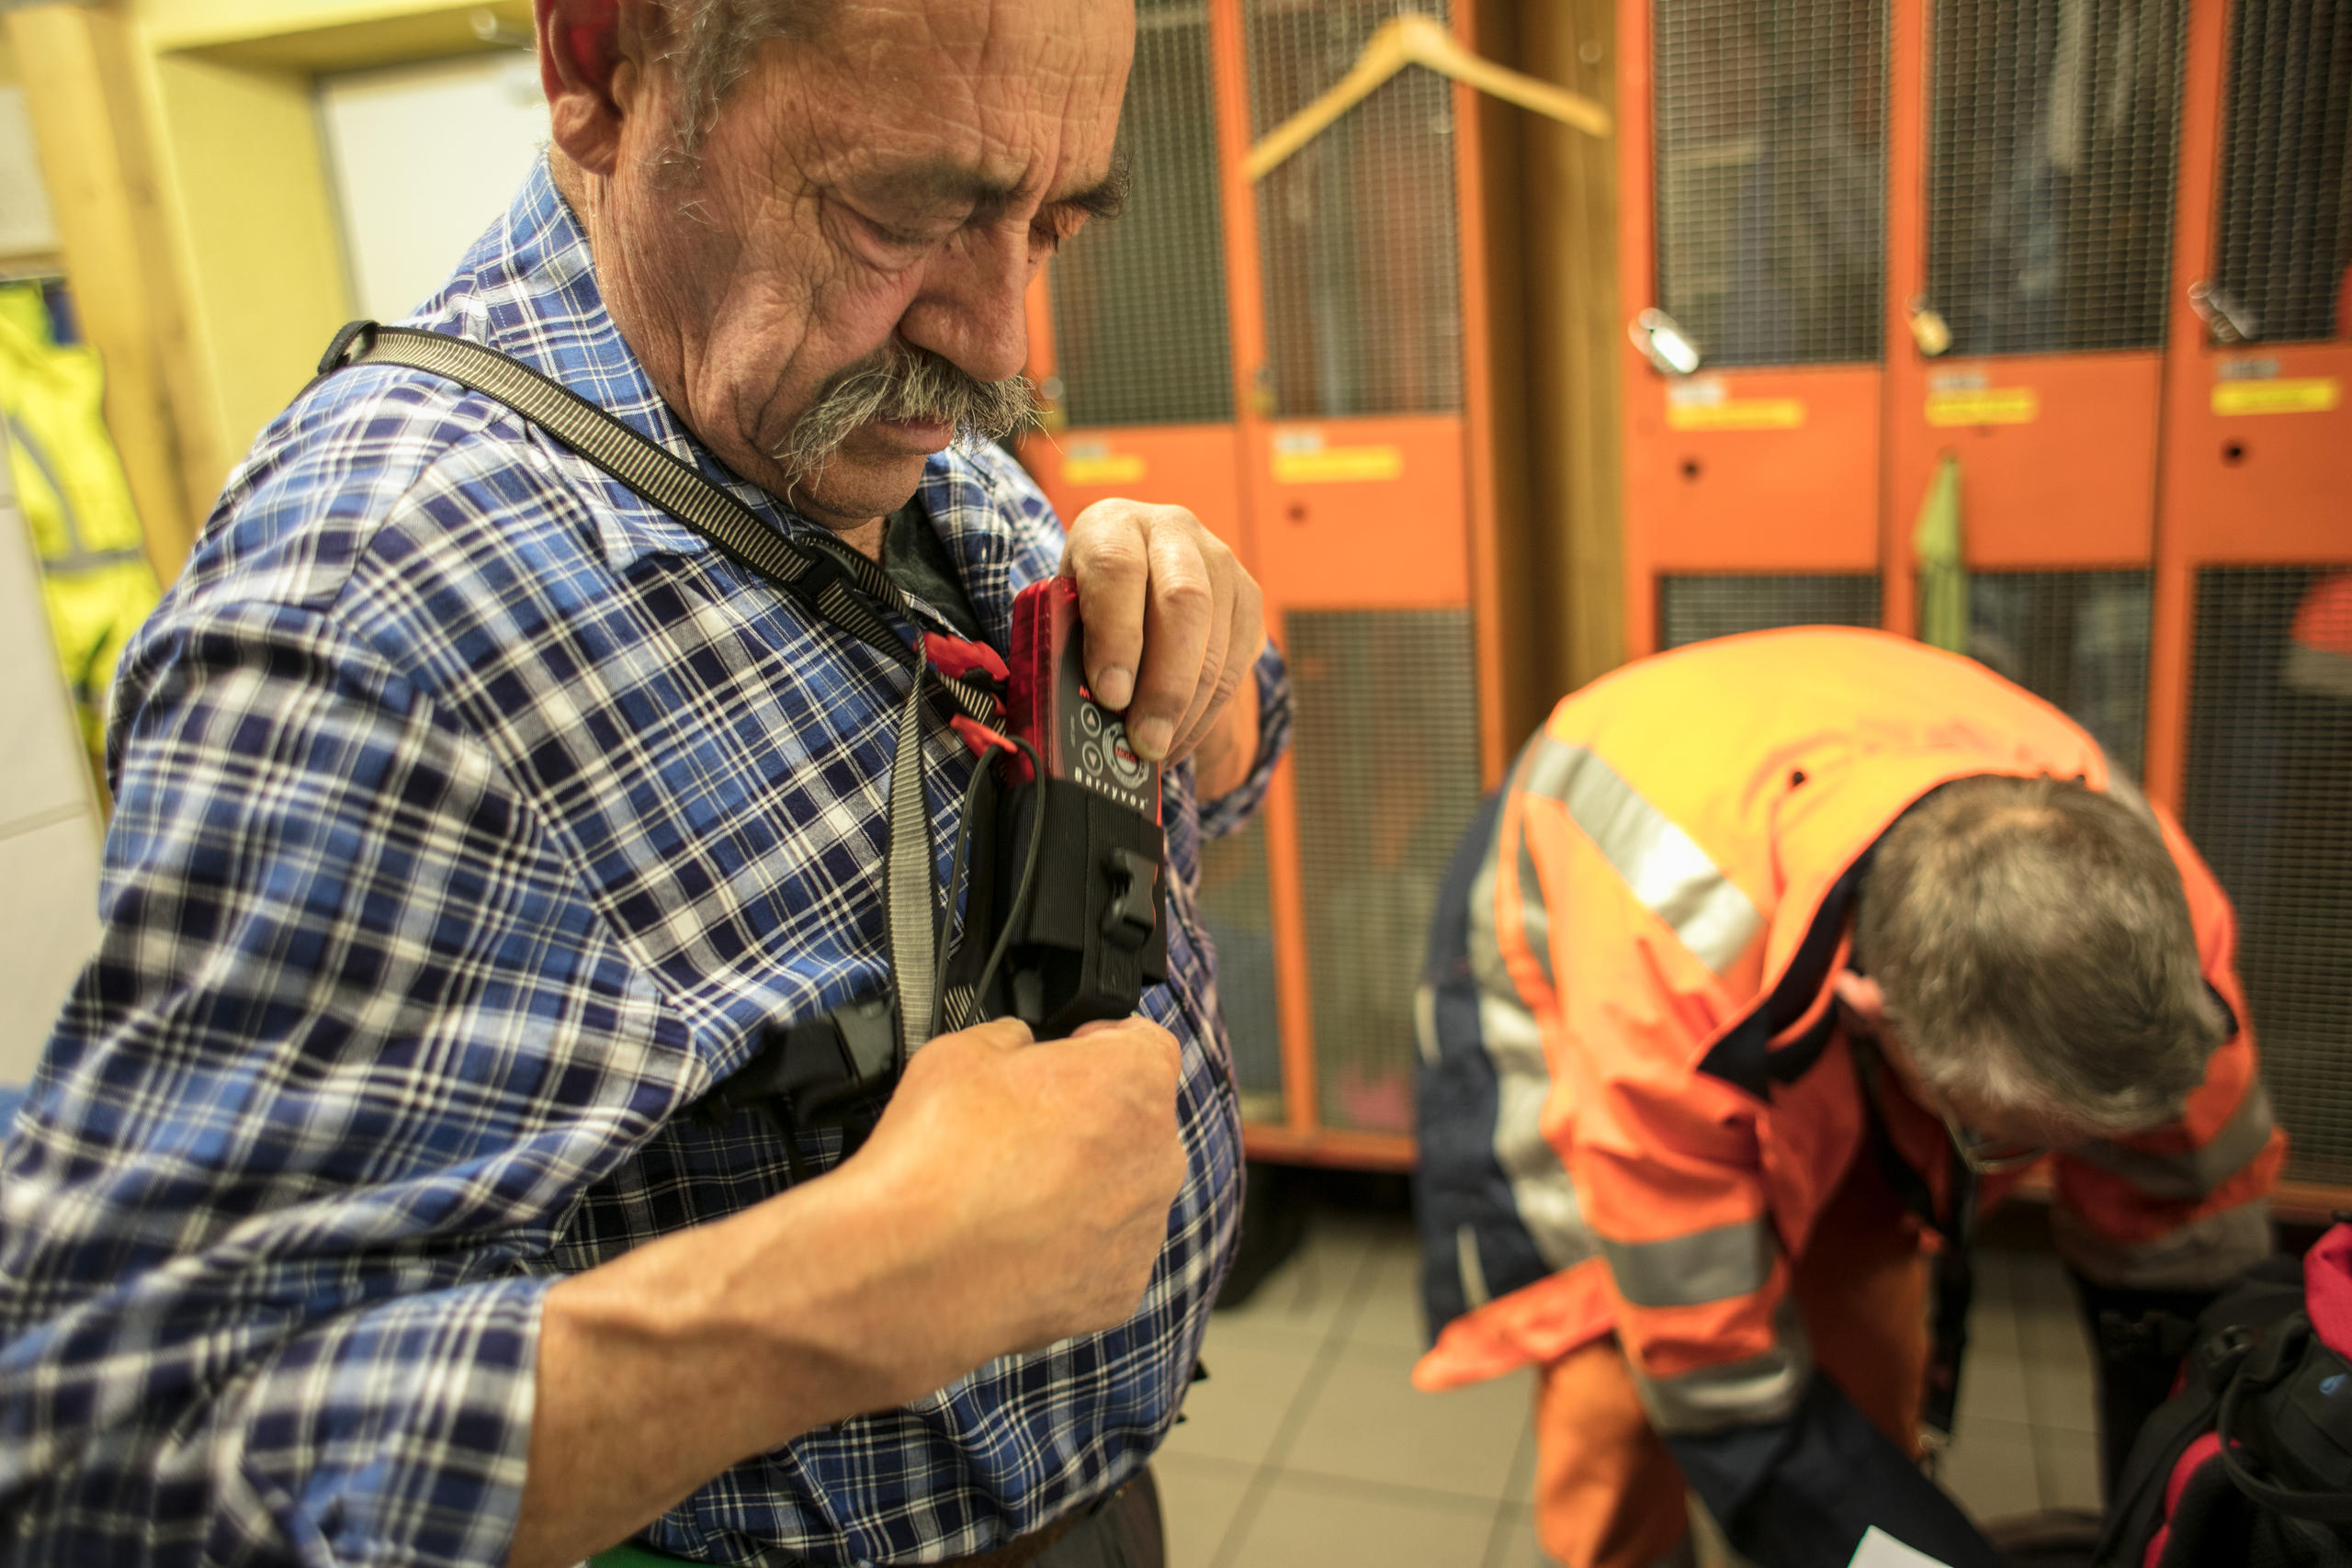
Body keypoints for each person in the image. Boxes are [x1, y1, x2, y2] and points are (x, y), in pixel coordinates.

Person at [0, 3, 1290, 1565]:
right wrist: (862, 1290)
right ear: (600, 74)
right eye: (896, 214)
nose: (1001, 342)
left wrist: (1206, 680)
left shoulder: (862, 413)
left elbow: (1154, 813)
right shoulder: (375, 608)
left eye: (1053, 220)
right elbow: (97, 1456)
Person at [1412, 626, 2280, 1568]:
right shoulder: (1665, 973)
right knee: (1613, 1379)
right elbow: (1718, 1379)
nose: (2038, 1158)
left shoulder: (2160, 925)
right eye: (2003, 1137)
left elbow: (2187, 1241)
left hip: (1826, 801)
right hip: (1596, 902)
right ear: (1866, 1008)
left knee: (1863, 1316)